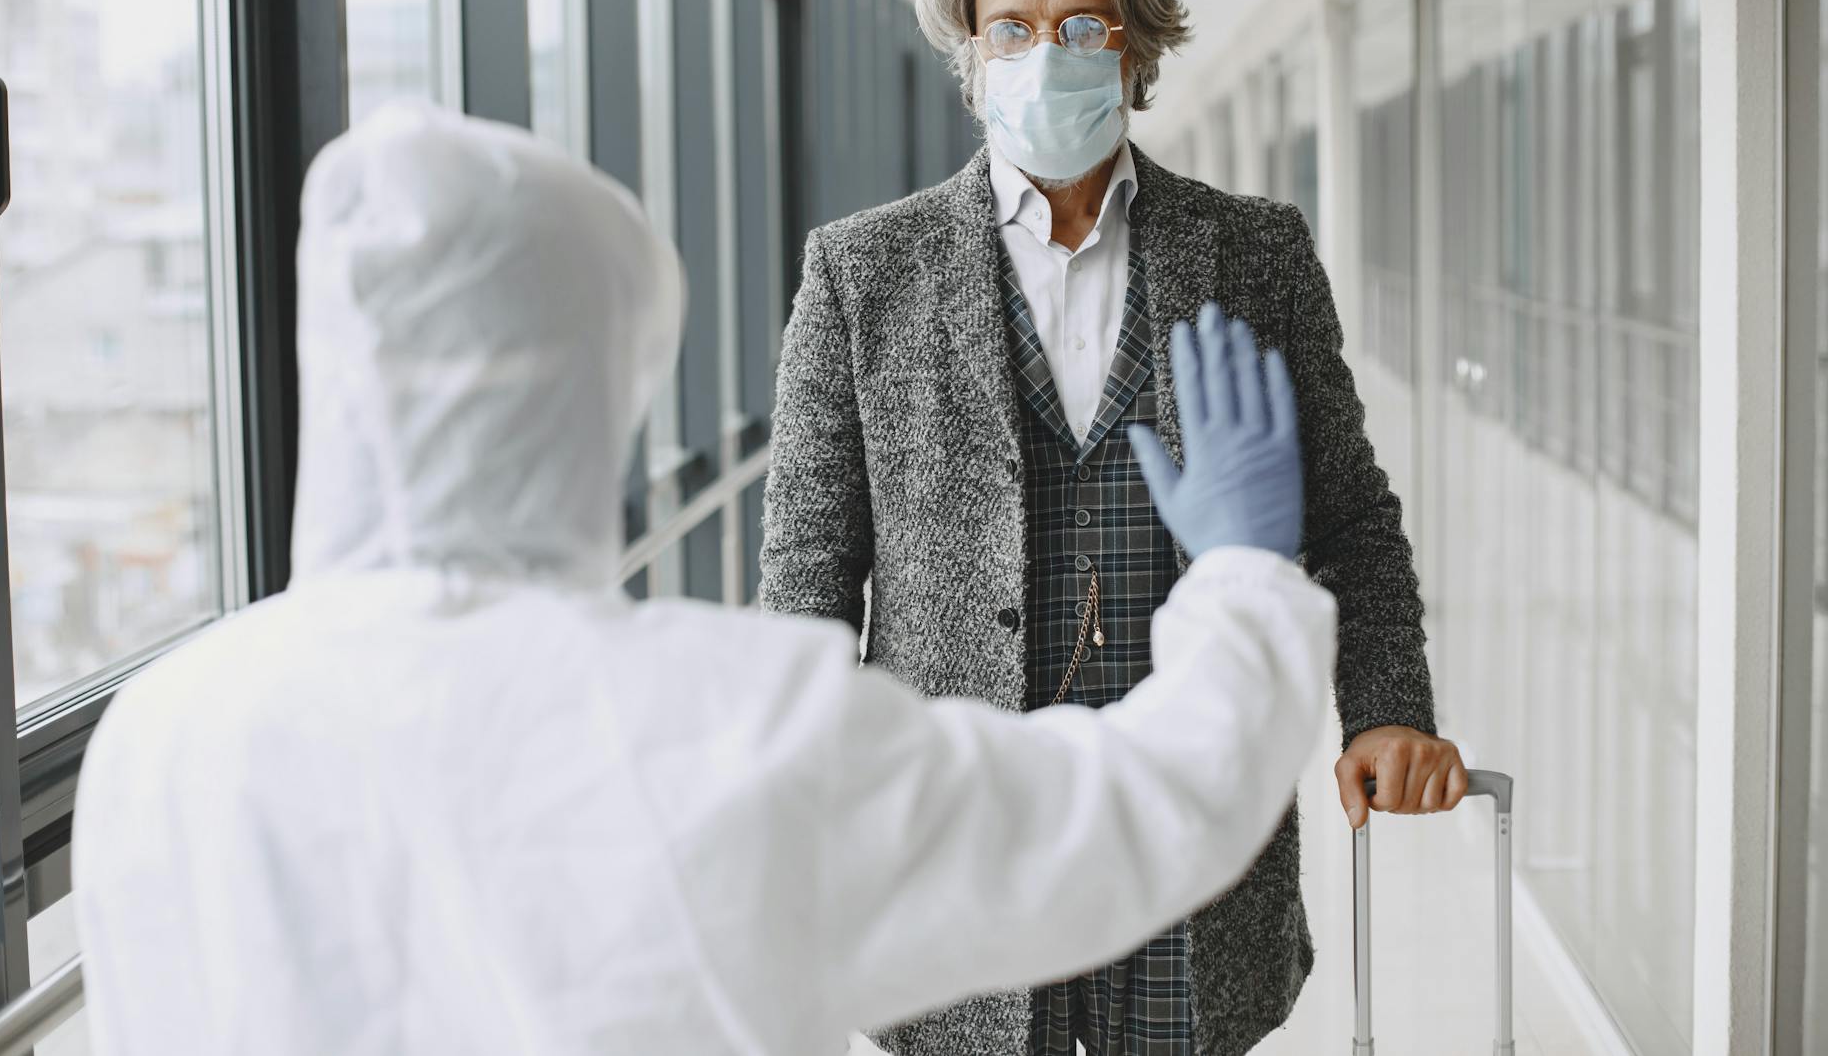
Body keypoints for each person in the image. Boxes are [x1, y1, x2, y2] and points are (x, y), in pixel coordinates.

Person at [72, 102, 1335, 1056]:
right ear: (607, 384)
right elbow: (1134, 814)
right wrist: (1236, 573)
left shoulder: (164, 737)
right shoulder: (719, 725)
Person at [760, 0, 1467, 1056]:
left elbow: (1347, 518)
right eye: (1013, 29)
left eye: (1082, 26)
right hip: (961, 847)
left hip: (1188, 838)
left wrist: (1386, 708)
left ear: (1133, 47)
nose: (1048, 54)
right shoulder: (858, 275)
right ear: (973, 56)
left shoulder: (1253, 254)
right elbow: (807, 575)